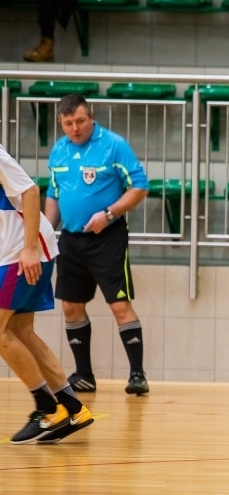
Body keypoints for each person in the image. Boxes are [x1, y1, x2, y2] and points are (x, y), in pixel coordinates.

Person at [45, 94, 150, 396]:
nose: (74, 129)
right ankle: (84, 375)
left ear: (91, 117)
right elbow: (54, 193)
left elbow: (140, 186)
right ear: (61, 123)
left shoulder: (113, 145)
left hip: (107, 238)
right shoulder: (59, 151)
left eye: (79, 121)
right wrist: (44, 230)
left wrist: (109, 213)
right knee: (71, 307)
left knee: (119, 304)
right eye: (68, 124)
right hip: (71, 239)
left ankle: (137, 375)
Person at [0, 145, 94, 444]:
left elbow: (30, 192)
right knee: (21, 332)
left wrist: (28, 249)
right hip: (15, 251)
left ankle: (45, 407)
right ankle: (73, 408)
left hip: (24, 251)